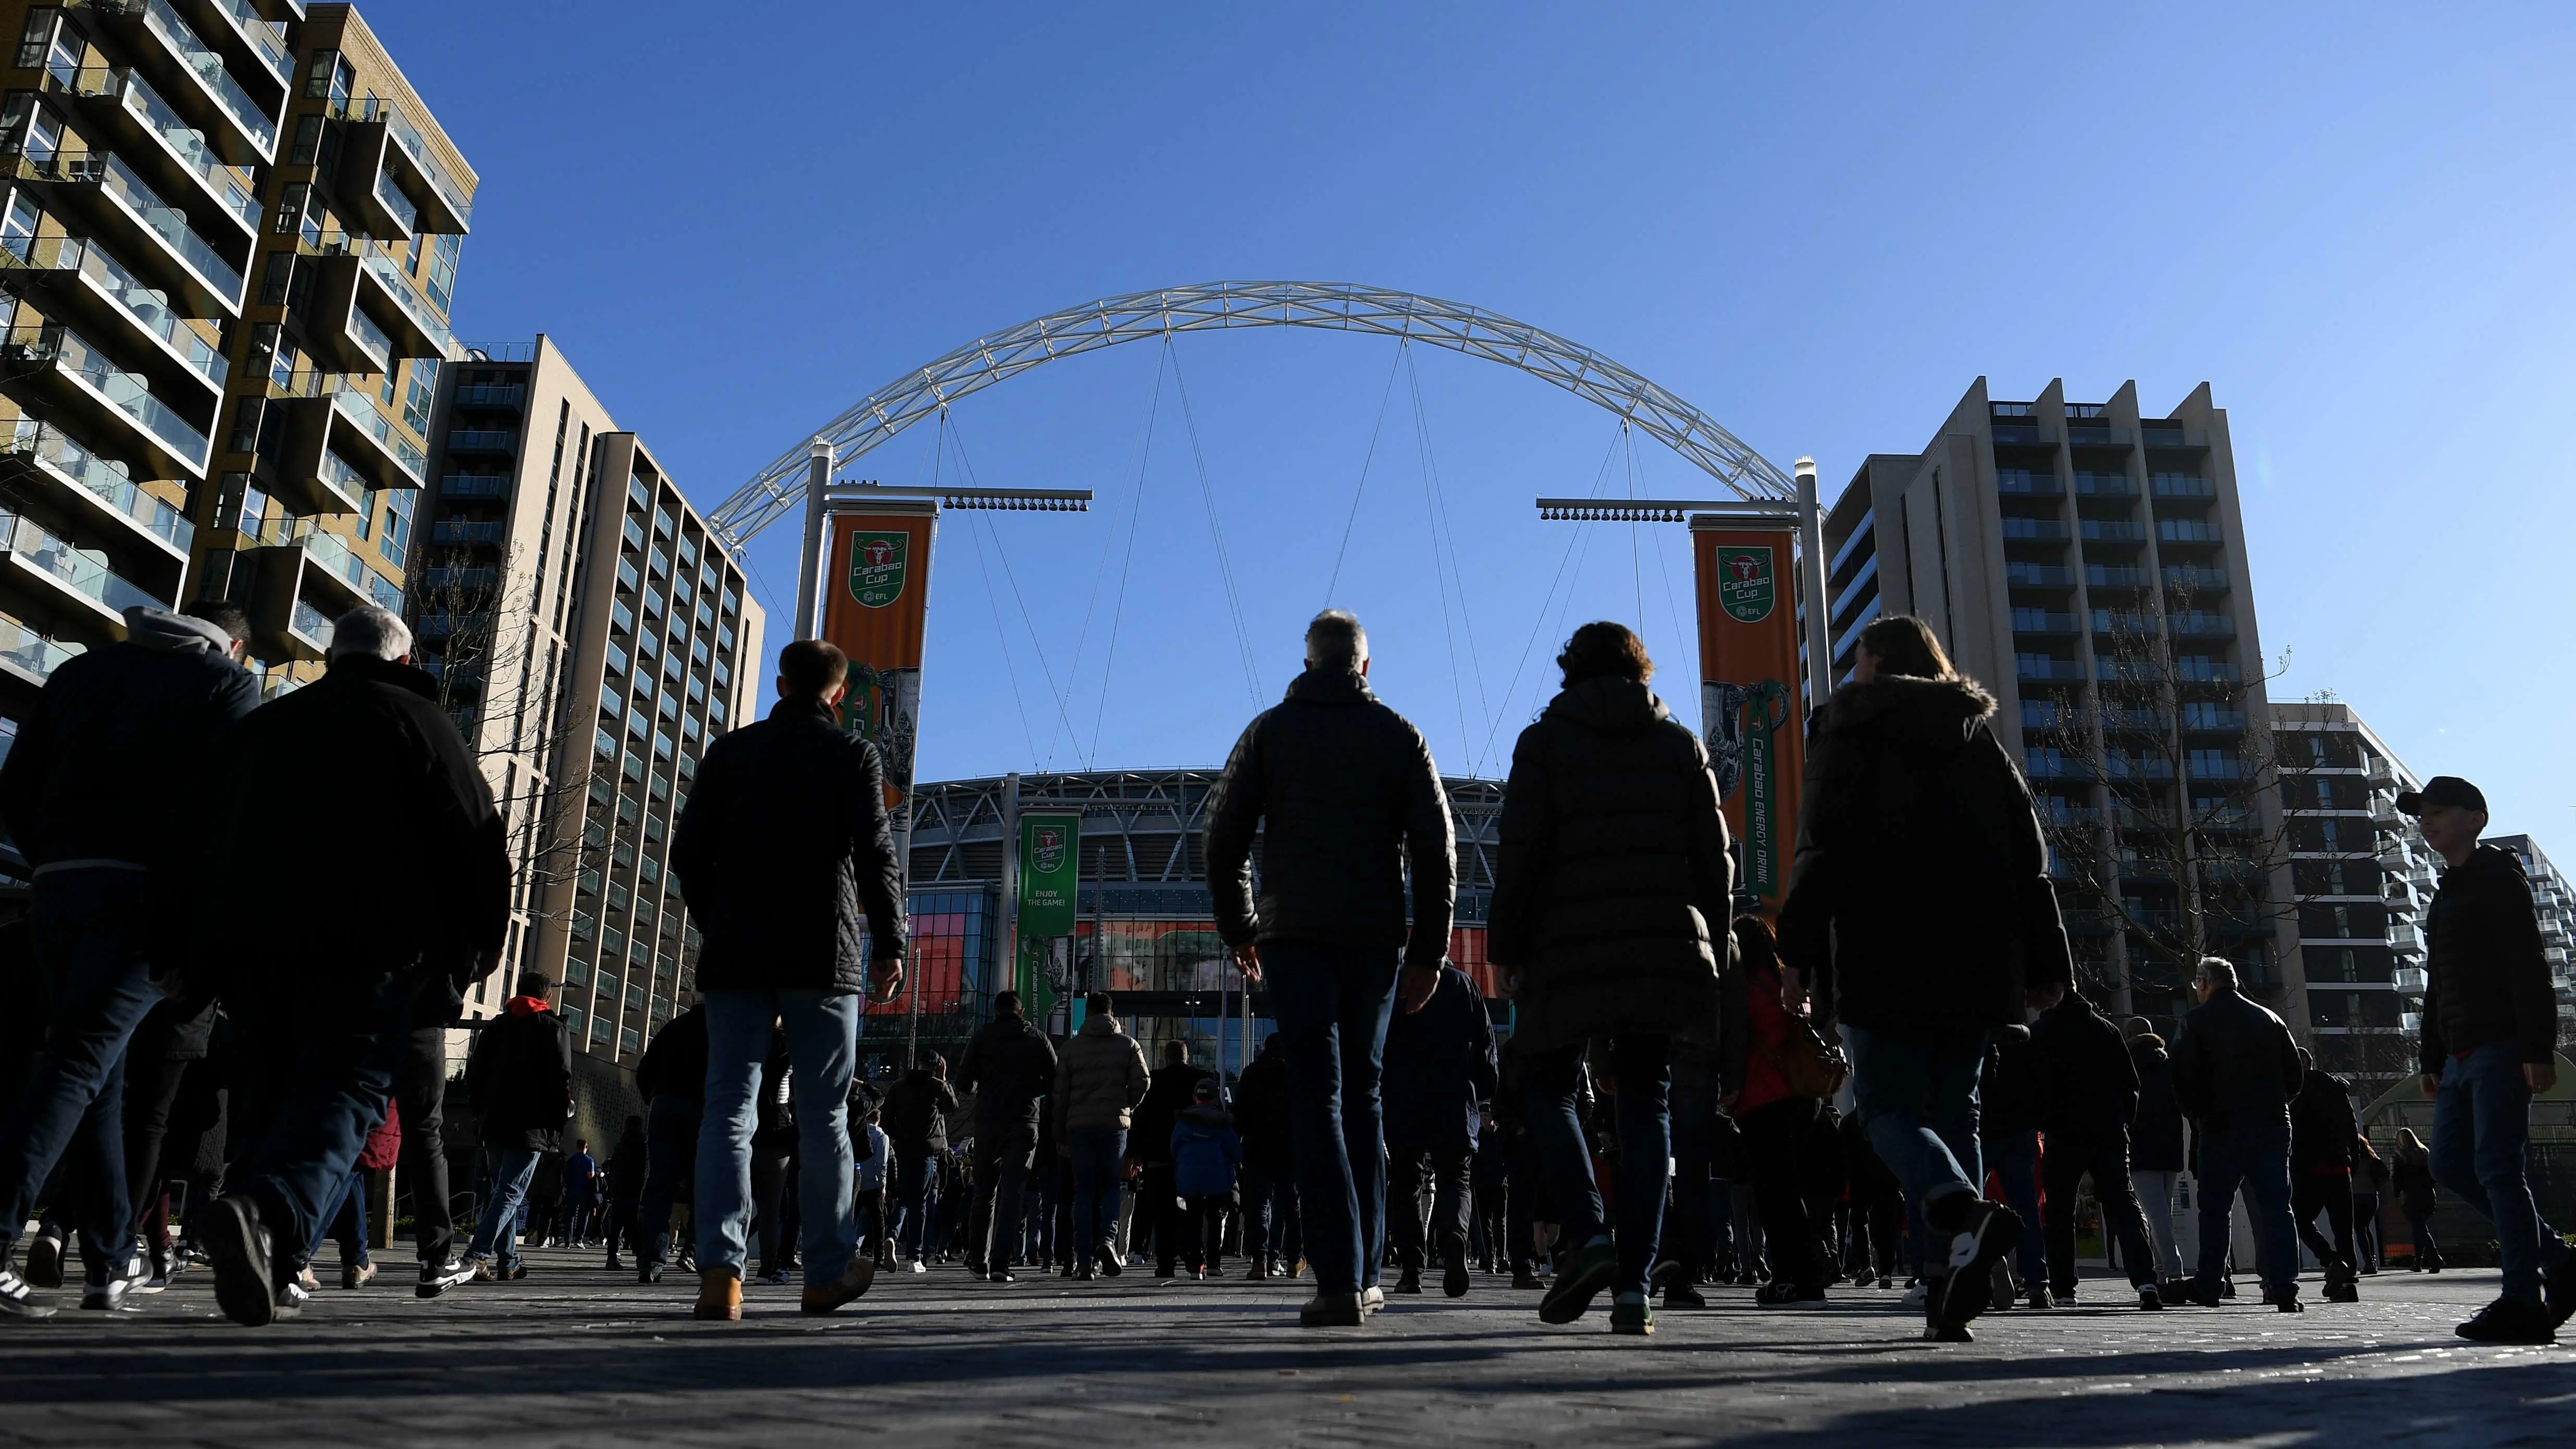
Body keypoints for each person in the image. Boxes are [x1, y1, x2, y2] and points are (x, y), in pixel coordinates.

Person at [194, 605, 509, 1325]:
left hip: (258, 948)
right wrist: (470, 955)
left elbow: (210, 837)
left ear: (335, 655)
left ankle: (263, 1254)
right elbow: (478, 843)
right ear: (401, 663)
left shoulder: (269, 725)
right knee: (349, 1091)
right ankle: (266, 1213)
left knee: (270, 1094)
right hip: (370, 946)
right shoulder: (426, 728)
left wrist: (200, 948)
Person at [1776, 615, 2072, 1343]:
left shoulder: (1848, 733)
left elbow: (1821, 850)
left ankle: (1957, 1207)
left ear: (1877, 663)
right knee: (1955, 1112)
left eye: (1858, 660)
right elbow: (2027, 861)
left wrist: (1797, 958)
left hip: (1882, 952)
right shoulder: (1980, 742)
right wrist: (2046, 963)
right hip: (1975, 961)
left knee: (1886, 1111)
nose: (1851, 675)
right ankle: (1948, 1287)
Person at [0, 602, 258, 1317]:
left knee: (100, 1076)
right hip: (146, 898)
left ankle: (109, 1261)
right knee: (82, 1061)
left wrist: (51, 859)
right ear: (233, 646)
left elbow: (17, 785)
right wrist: (198, 934)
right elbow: (225, 819)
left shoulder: (82, 672)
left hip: (58, 889)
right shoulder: (226, 687)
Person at [1206, 609, 1456, 1328]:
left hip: (1295, 937)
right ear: (1366, 667)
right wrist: (1428, 954)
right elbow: (1439, 852)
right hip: (1373, 941)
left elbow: (1221, 841)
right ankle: (1368, 1271)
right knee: (1365, 1098)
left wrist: (1241, 926)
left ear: (1309, 663)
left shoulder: (1269, 733)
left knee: (1317, 1097)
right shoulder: (1399, 735)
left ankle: (1339, 1278)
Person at [1489, 622, 1732, 1339]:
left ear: (1572, 671)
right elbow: (1715, 863)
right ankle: (1635, 1287)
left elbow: (1520, 854)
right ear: (1641, 671)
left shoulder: (1543, 744)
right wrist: (1712, 947)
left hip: (1566, 945)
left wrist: (1507, 948)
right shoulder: (1681, 746)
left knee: (1550, 1087)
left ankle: (1589, 1236)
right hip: (1660, 947)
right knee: (1646, 1102)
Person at [670, 638, 908, 1321]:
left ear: (780, 683)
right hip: (821, 957)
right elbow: (875, 857)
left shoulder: (730, 753)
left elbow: (689, 854)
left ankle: (721, 1273)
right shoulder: (852, 755)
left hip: (737, 957)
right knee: (825, 1115)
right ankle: (825, 1273)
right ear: (838, 694)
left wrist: (717, 924)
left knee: (728, 1109)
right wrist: (890, 944)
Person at [2400, 776, 2574, 1343]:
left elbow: (2529, 966)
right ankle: (2564, 1264)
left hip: (2501, 1047)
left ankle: (2522, 1302)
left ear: (2475, 818)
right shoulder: (2445, 890)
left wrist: (2536, 1048)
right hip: (2456, 1054)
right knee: (2449, 1164)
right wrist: (2431, 1055)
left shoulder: (2500, 880)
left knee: (2499, 1168)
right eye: (2421, 815)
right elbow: (2437, 982)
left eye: (2439, 813)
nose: (2427, 822)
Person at [2170, 956, 2305, 1312]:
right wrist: (2276, 1103)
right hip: (2272, 1123)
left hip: (2220, 1126)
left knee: (2215, 1209)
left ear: (2203, 982)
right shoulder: (2269, 1019)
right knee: (2276, 1206)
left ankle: (2211, 1283)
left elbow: (2180, 1078)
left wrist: (2198, 1114)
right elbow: (2295, 1076)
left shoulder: (2194, 1022)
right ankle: (2285, 1284)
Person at [2029, 988, 2161, 1309]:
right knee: (2122, 1202)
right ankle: (2145, 1281)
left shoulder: (2042, 1032)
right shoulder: (2107, 1029)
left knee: (2060, 1209)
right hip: (2109, 1131)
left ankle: (2063, 1287)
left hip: (2063, 1133)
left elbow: (2033, 1086)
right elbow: (2131, 1084)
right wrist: (2121, 1121)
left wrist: (2043, 1120)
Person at [1730, 918, 1835, 1311]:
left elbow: (1746, 1039)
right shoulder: (1784, 981)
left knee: (1775, 1196)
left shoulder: (1745, 987)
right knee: (1791, 1191)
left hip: (1764, 1100)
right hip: (1802, 1096)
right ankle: (1807, 1274)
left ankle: (1794, 1278)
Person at [1381, 961, 1498, 1298]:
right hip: (1455, 1098)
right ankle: (1454, 1237)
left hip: (1406, 1100)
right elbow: (1486, 1044)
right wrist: (1485, 1088)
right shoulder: (1465, 984)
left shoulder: (1400, 981)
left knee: (1407, 1184)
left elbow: (1381, 1043)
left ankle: (1412, 1270)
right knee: (1457, 1178)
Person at [462, 973, 575, 1280]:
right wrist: (557, 1122)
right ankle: (476, 1255)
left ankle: (509, 1260)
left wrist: (479, 1113)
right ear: (547, 998)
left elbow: (475, 1074)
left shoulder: (496, 1026)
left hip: (494, 1122)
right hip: (532, 1125)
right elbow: (561, 1079)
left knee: (502, 1191)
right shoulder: (554, 1029)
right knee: (511, 1192)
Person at [956, 989, 1058, 1282]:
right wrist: (1032, 1093)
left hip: (989, 1121)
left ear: (995, 1011)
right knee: (1013, 1192)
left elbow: (964, 1081)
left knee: (985, 1191)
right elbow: (1055, 1080)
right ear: (1021, 1011)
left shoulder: (982, 1037)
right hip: (1024, 1120)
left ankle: (978, 1259)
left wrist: (984, 1089)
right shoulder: (1037, 1038)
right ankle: (1001, 1262)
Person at [1055, 993, 1149, 1279]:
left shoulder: (1071, 1049)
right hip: (1114, 1125)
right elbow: (1143, 1081)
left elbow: (1059, 1096)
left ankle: (1083, 1260)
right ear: (1111, 1013)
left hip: (1079, 1126)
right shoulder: (1128, 1045)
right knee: (1110, 1187)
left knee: (1083, 1191)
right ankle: (1108, 1241)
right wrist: (1127, 1105)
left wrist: (1060, 1133)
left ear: (1089, 1015)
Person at [633, 999, 707, 1281]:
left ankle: (651, 1261)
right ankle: (694, 1249)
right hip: (703, 1110)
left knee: (659, 1185)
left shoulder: (673, 1027)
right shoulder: (722, 1030)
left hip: (665, 1106)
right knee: (701, 1186)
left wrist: (654, 1098)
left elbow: (644, 1069)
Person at [1977, 1024, 2048, 1308]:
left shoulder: (1975, 1033)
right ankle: (2037, 1284)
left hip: (1980, 1127)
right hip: (2020, 1129)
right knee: (2026, 1208)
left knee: (1969, 1204)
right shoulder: (2026, 1037)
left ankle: (1982, 1270)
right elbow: (2042, 1082)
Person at [1129, 1041, 1212, 1277]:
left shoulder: (1155, 1082)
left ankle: (1165, 1264)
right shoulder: (1200, 1080)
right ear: (1186, 1057)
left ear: (1166, 1059)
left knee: (1162, 1212)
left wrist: (1136, 1153)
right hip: (1193, 1156)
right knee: (1194, 1209)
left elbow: (1141, 1118)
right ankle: (1196, 1260)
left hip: (1159, 1156)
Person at [2287, 1048, 2361, 1303]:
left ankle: (2330, 1260)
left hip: (2308, 1168)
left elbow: (2292, 1131)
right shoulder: (2336, 1088)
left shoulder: (2293, 1093)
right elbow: (2351, 1126)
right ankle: (2348, 1279)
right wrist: (2355, 1159)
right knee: (2344, 1228)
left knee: (2300, 1219)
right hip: (2341, 1167)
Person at [2126, 1016, 2190, 1295]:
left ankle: (2174, 1272)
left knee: (2156, 1215)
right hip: (2170, 1146)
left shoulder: (2128, 1063)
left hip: (2141, 1147)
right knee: (2162, 1211)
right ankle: (2163, 1274)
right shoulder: (2169, 1063)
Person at [1232, 1032, 1299, 1279]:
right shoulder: (1295, 1073)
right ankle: (1293, 1261)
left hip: (1257, 1148)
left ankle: (1259, 1260)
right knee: (1292, 1206)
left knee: (1259, 1205)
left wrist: (1237, 1141)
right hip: (1290, 1149)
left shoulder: (1251, 1073)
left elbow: (1239, 1112)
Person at [882, 1054, 957, 1270]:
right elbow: (952, 1106)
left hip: (905, 1149)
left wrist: (901, 1135)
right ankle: (915, 1257)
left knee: (903, 1198)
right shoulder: (935, 1086)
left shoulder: (899, 1086)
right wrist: (943, 1080)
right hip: (927, 1151)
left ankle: (892, 1237)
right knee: (920, 1202)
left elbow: (886, 1118)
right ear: (937, 1067)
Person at [1170, 1078, 1242, 1278]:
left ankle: (1195, 1265)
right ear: (1216, 1098)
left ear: (1195, 1097)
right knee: (1216, 1218)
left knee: (1192, 1220)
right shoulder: (1223, 1122)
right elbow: (1236, 1153)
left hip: (1188, 1179)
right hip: (1218, 1179)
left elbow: (1174, 1149)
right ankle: (1214, 1262)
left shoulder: (1184, 1122)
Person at [2390, 1127, 2441, 1271]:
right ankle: (2417, 1262)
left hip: (2410, 1196)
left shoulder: (2399, 1155)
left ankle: (2435, 1257)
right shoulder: (2425, 1153)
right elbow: (2433, 1175)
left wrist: (2396, 1194)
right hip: (2428, 1194)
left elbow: (2395, 1178)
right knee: (2419, 1228)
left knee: (2419, 1228)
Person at [603, 1116, 647, 1270]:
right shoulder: (643, 1145)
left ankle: (612, 1257)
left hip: (620, 1191)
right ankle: (641, 1258)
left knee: (616, 1227)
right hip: (636, 1192)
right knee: (637, 1227)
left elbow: (613, 1167)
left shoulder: (620, 1146)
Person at [852, 1101, 892, 1269]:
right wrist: (883, 1183)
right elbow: (882, 1162)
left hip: (857, 1182)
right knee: (878, 1222)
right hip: (874, 1184)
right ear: (879, 1120)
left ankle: (847, 1251)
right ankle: (879, 1257)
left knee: (852, 1218)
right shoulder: (882, 1138)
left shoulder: (858, 1132)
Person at [2352, 1134, 2388, 1274]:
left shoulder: (2351, 1159)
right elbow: (2385, 1174)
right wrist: (2375, 1186)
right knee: (2366, 1227)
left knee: (2360, 1228)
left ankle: (2368, 1261)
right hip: (2371, 1196)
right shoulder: (2371, 1158)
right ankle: (2372, 1260)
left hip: (2355, 1196)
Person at [561, 1138, 600, 1249]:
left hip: (572, 1190)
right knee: (584, 1215)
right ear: (587, 1148)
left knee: (570, 1216)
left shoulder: (571, 1160)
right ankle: (579, 1239)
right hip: (585, 1192)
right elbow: (590, 1176)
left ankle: (568, 1240)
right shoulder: (589, 1161)